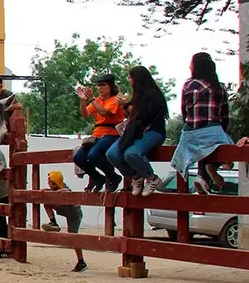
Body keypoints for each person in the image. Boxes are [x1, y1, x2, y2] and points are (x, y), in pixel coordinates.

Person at [171, 53, 233, 195]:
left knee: (202, 148)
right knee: (228, 149)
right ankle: (208, 170)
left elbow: (184, 111)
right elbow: (224, 115)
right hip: (212, 129)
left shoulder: (188, 85)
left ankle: (202, 178)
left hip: (190, 132)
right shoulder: (220, 87)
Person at [107, 65, 168, 196]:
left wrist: (126, 105)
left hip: (152, 131)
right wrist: (126, 106)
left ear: (137, 78)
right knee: (112, 154)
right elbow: (132, 116)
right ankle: (136, 177)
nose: (129, 79)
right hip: (134, 132)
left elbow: (143, 116)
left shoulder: (153, 95)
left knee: (131, 154)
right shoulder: (137, 95)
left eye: (130, 77)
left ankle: (152, 178)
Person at [73, 73, 126, 193]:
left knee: (94, 155)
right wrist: (82, 100)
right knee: (79, 157)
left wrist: (91, 99)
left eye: (103, 85)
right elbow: (85, 113)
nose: (99, 88)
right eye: (98, 85)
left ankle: (113, 177)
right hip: (97, 134)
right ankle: (98, 178)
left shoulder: (115, 100)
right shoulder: (98, 100)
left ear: (110, 87)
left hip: (112, 133)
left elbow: (104, 112)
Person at [41, 170, 87, 273]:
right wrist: (48, 190)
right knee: (46, 203)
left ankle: (81, 262)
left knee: (73, 238)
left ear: (54, 183)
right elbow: (53, 192)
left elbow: (68, 191)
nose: (48, 183)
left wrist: (60, 191)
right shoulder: (55, 189)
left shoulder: (63, 188)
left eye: (49, 181)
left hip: (74, 215)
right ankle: (53, 222)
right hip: (64, 209)